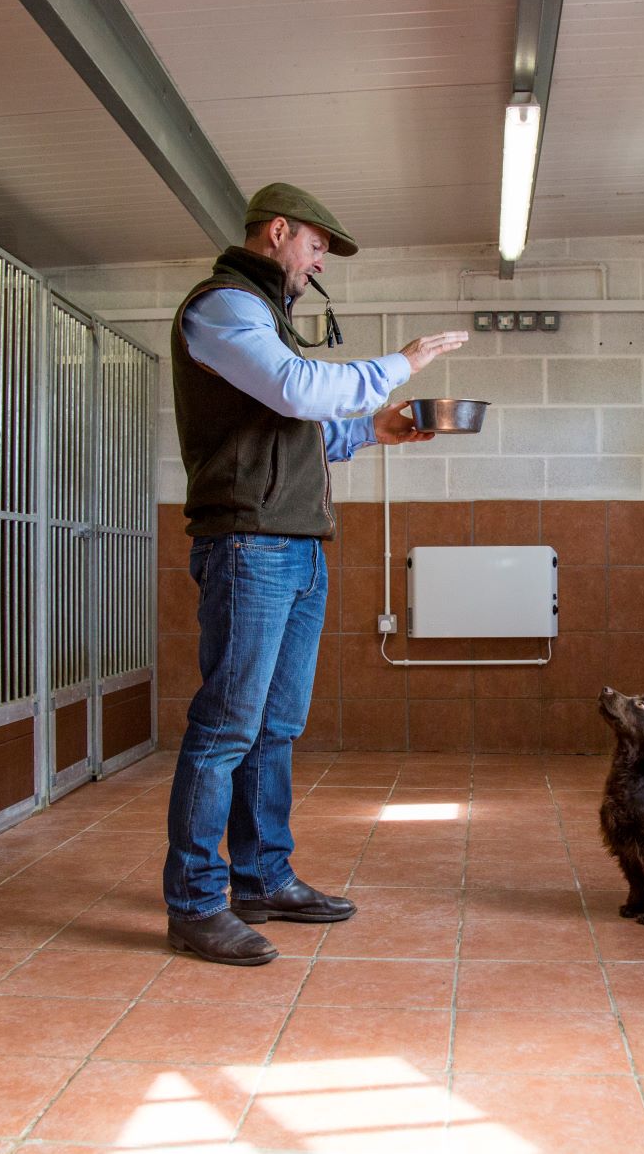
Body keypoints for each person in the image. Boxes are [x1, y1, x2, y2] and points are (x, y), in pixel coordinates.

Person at [163, 182, 468, 965]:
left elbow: (297, 431)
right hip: (249, 545)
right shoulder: (223, 307)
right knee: (226, 727)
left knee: (274, 727)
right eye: (317, 245)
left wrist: (372, 429)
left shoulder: (267, 321)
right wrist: (397, 364)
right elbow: (296, 391)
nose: (320, 260)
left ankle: (261, 877)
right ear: (278, 233)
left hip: (293, 545)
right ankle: (195, 903)